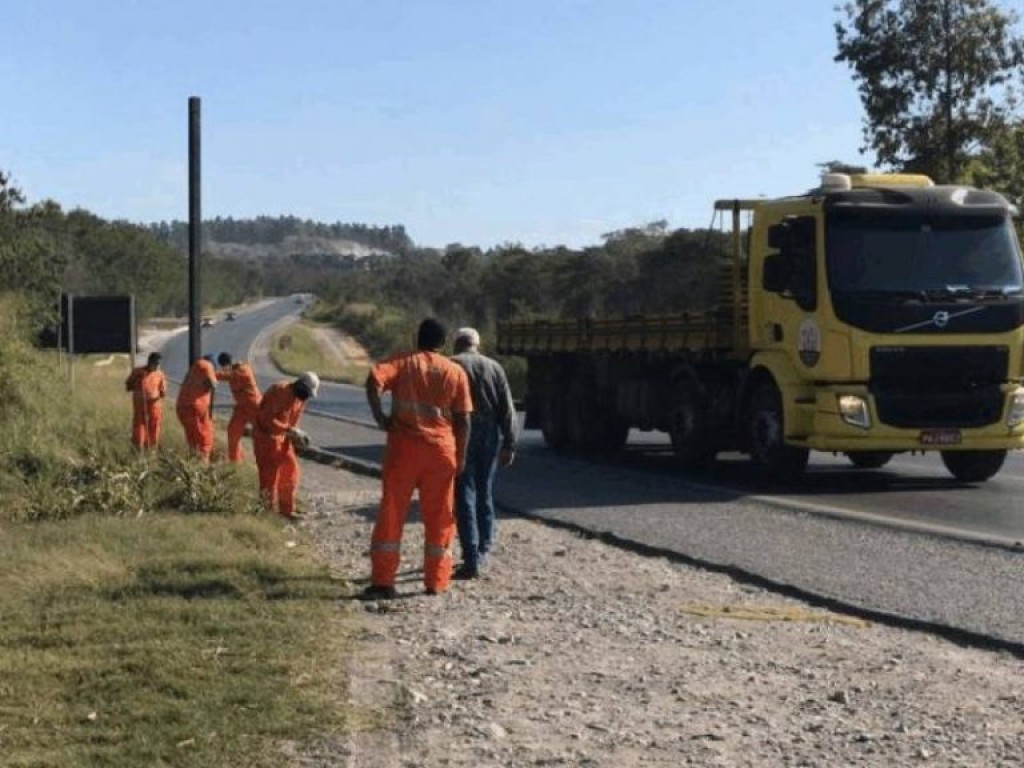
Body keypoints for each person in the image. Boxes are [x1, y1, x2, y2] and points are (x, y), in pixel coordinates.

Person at [362, 318, 472, 599]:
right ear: (443, 343)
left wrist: (381, 418)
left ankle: (383, 582)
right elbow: (463, 420)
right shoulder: (455, 371)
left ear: (417, 338)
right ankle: (436, 581)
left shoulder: (402, 362)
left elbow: (373, 381)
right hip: (441, 453)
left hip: (404, 450)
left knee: (392, 513)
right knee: (440, 517)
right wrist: (461, 456)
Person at [450, 327, 517, 579]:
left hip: (460, 433)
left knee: (464, 494)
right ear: (477, 344)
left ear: (457, 343)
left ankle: (470, 556)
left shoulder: (451, 365)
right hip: (489, 434)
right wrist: (510, 443)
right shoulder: (494, 367)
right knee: (484, 491)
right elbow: (507, 408)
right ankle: (483, 549)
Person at [253, 371, 319, 519]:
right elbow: (266, 420)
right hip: (266, 438)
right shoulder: (280, 391)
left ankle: (287, 510)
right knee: (269, 477)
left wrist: (297, 437)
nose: (307, 397)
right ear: (300, 385)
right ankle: (267, 513)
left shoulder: (300, 399)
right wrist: (289, 430)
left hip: (283, 438)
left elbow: (293, 422)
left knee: (291, 471)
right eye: (307, 392)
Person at [215, 352, 262, 463]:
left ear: (227, 364)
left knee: (262, 435)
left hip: (254, 406)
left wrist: (211, 373)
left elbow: (228, 376)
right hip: (241, 407)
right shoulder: (235, 370)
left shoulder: (243, 370)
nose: (223, 369)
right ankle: (235, 461)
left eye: (223, 367)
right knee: (233, 431)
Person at [175, 355, 218, 462]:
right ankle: (202, 466)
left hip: (182, 407)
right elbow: (213, 384)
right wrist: (215, 380)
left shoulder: (193, 370)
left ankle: (193, 464)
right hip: (195, 408)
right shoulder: (207, 365)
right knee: (204, 440)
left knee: (193, 441)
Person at [125, 351, 167, 452]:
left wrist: (161, 393)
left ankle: (151, 450)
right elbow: (128, 385)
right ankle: (137, 449)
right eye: (156, 363)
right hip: (140, 405)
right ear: (150, 362)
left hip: (154, 406)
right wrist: (137, 382)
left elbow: (163, 391)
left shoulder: (160, 374)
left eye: (159, 364)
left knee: (154, 428)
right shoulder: (138, 372)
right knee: (139, 427)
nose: (157, 366)